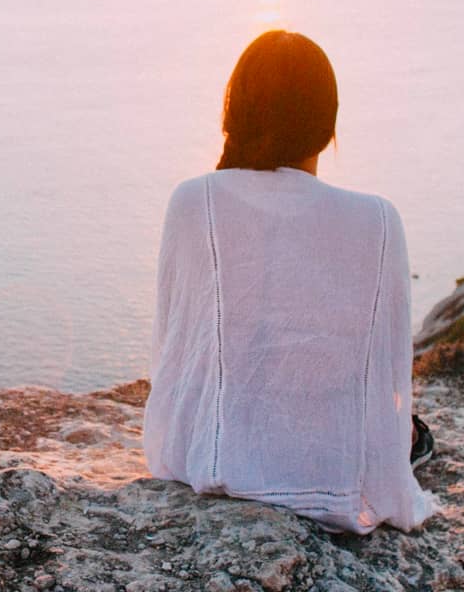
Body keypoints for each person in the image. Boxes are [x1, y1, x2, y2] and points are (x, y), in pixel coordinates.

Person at [141, 30, 437, 533]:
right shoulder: (378, 220)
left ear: (234, 112)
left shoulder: (192, 202)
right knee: (408, 432)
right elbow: (388, 368)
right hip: (331, 465)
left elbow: (174, 353)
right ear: (326, 126)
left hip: (212, 458)